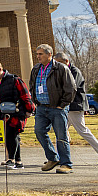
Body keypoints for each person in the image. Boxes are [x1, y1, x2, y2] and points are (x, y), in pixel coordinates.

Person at [56, 52, 98, 165]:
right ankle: (60, 157)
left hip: (75, 106)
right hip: (67, 106)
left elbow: (71, 87)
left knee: (82, 131)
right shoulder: (63, 71)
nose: (57, 65)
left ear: (66, 61)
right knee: (62, 131)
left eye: (59, 63)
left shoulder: (74, 71)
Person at [31, 44, 78, 174]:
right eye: (37, 54)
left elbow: (71, 88)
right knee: (39, 131)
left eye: (40, 54)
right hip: (41, 108)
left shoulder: (61, 68)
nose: (38, 56)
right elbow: (32, 85)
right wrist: (36, 101)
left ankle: (66, 164)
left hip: (57, 108)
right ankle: (52, 158)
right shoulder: (36, 69)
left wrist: (62, 104)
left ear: (49, 54)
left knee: (61, 136)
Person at [0, 59, 33, 167]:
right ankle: (18, 162)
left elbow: (25, 95)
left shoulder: (14, 79)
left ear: (0, 69)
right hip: (1, 112)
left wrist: (29, 109)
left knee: (11, 133)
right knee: (14, 135)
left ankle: (11, 159)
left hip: (16, 111)